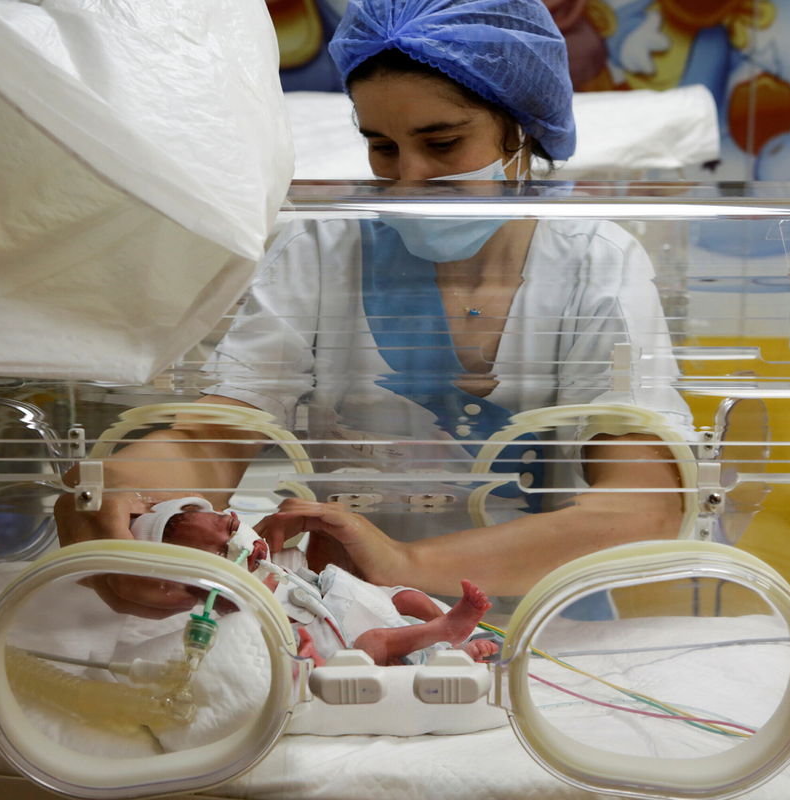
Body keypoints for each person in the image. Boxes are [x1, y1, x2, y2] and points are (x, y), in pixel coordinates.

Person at [55, 0, 691, 619]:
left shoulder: (594, 262)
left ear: (521, 131)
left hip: (546, 623)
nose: (408, 178)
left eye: (442, 144)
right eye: (382, 147)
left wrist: (405, 563)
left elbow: (645, 510)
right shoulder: (324, 249)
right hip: (346, 616)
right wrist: (122, 485)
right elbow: (216, 436)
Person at [133, 498, 500, 666]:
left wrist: (313, 523)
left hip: (361, 603)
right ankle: (446, 633)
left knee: (406, 597)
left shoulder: (280, 560)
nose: (238, 546)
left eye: (231, 529)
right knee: (376, 641)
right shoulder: (236, 607)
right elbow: (273, 654)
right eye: (220, 556)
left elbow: (319, 565)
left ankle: (456, 643)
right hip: (357, 649)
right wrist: (311, 664)